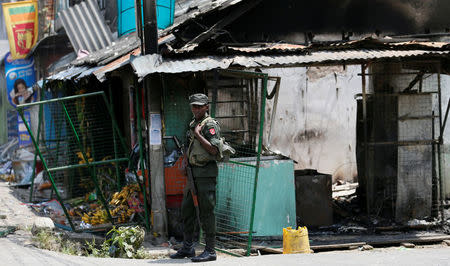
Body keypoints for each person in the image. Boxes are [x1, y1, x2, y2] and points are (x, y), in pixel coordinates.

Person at [170, 93, 221, 262]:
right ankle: (187, 248)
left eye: (200, 106)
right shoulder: (193, 123)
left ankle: (210, 250)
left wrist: (199, 134)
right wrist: (185, 162)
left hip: (205, 174)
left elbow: (214, 150)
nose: (196, 109)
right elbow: (188, 147)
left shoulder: (209, 125)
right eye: (194, 106)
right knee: (187, 210)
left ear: (207, 107)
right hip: (193, 174)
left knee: (206, 212)